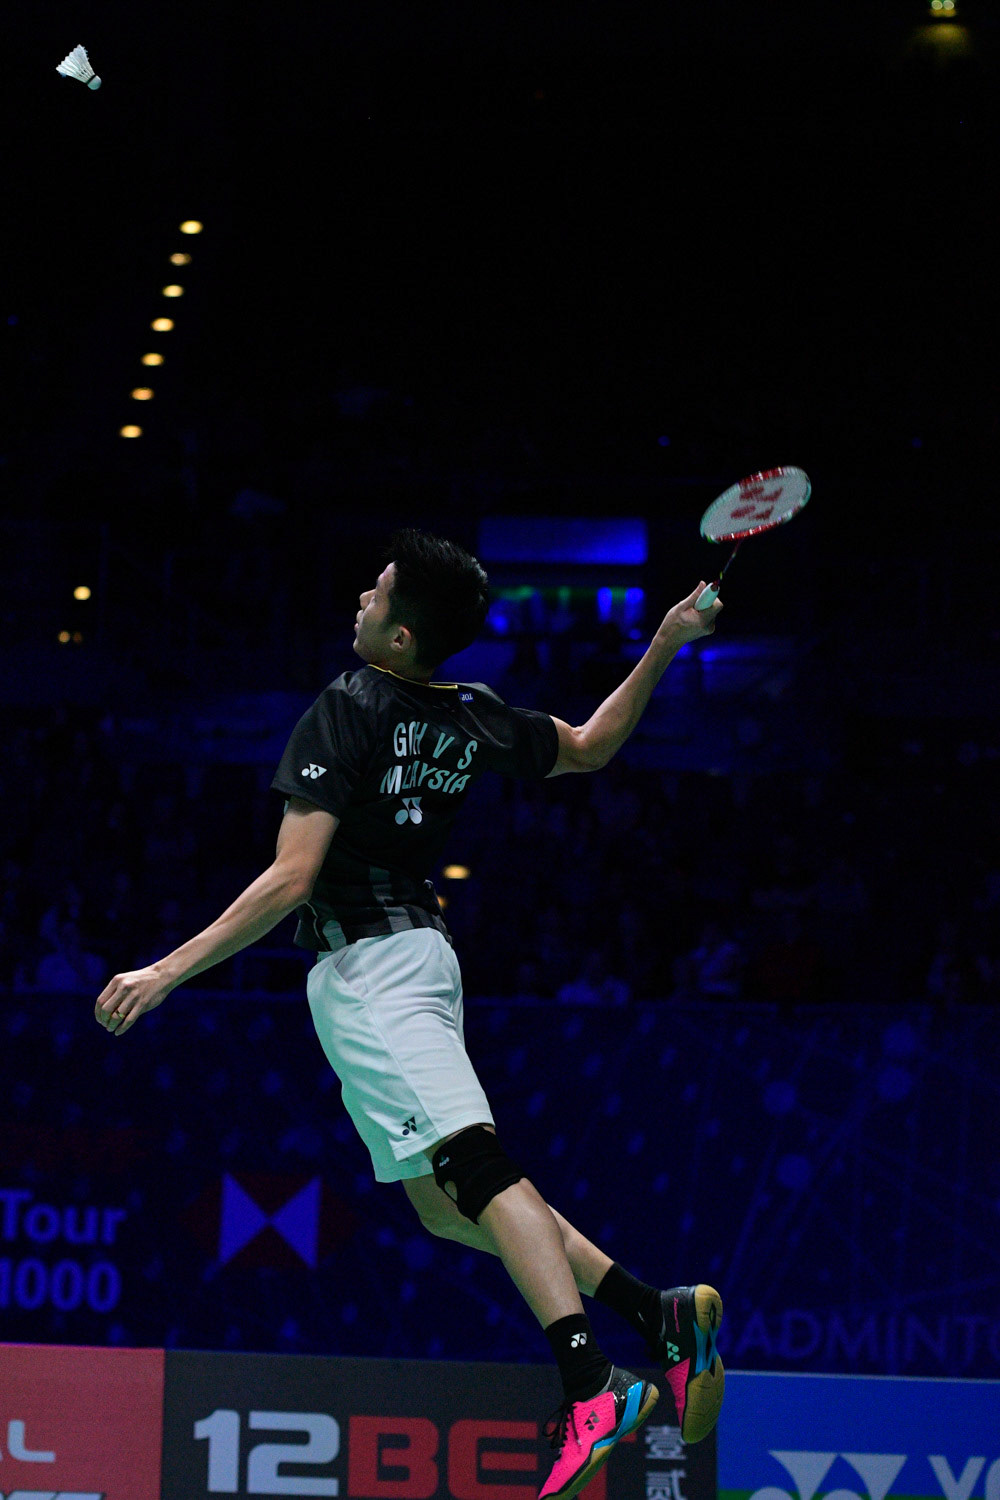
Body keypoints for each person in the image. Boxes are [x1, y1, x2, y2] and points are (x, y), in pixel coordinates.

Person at [95, 529, 725, 1500]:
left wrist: (166, 970)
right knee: (442, 1205)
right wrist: (669, 640)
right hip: (419, 962)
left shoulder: (346, 709)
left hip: (372, 972)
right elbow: (592, 748)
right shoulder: (468, 714)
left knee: (475, 1166)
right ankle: (657, 1315)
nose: (360, 595)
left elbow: (291, 879)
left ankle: (589, 1384)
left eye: (376, 591)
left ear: (397, 639)